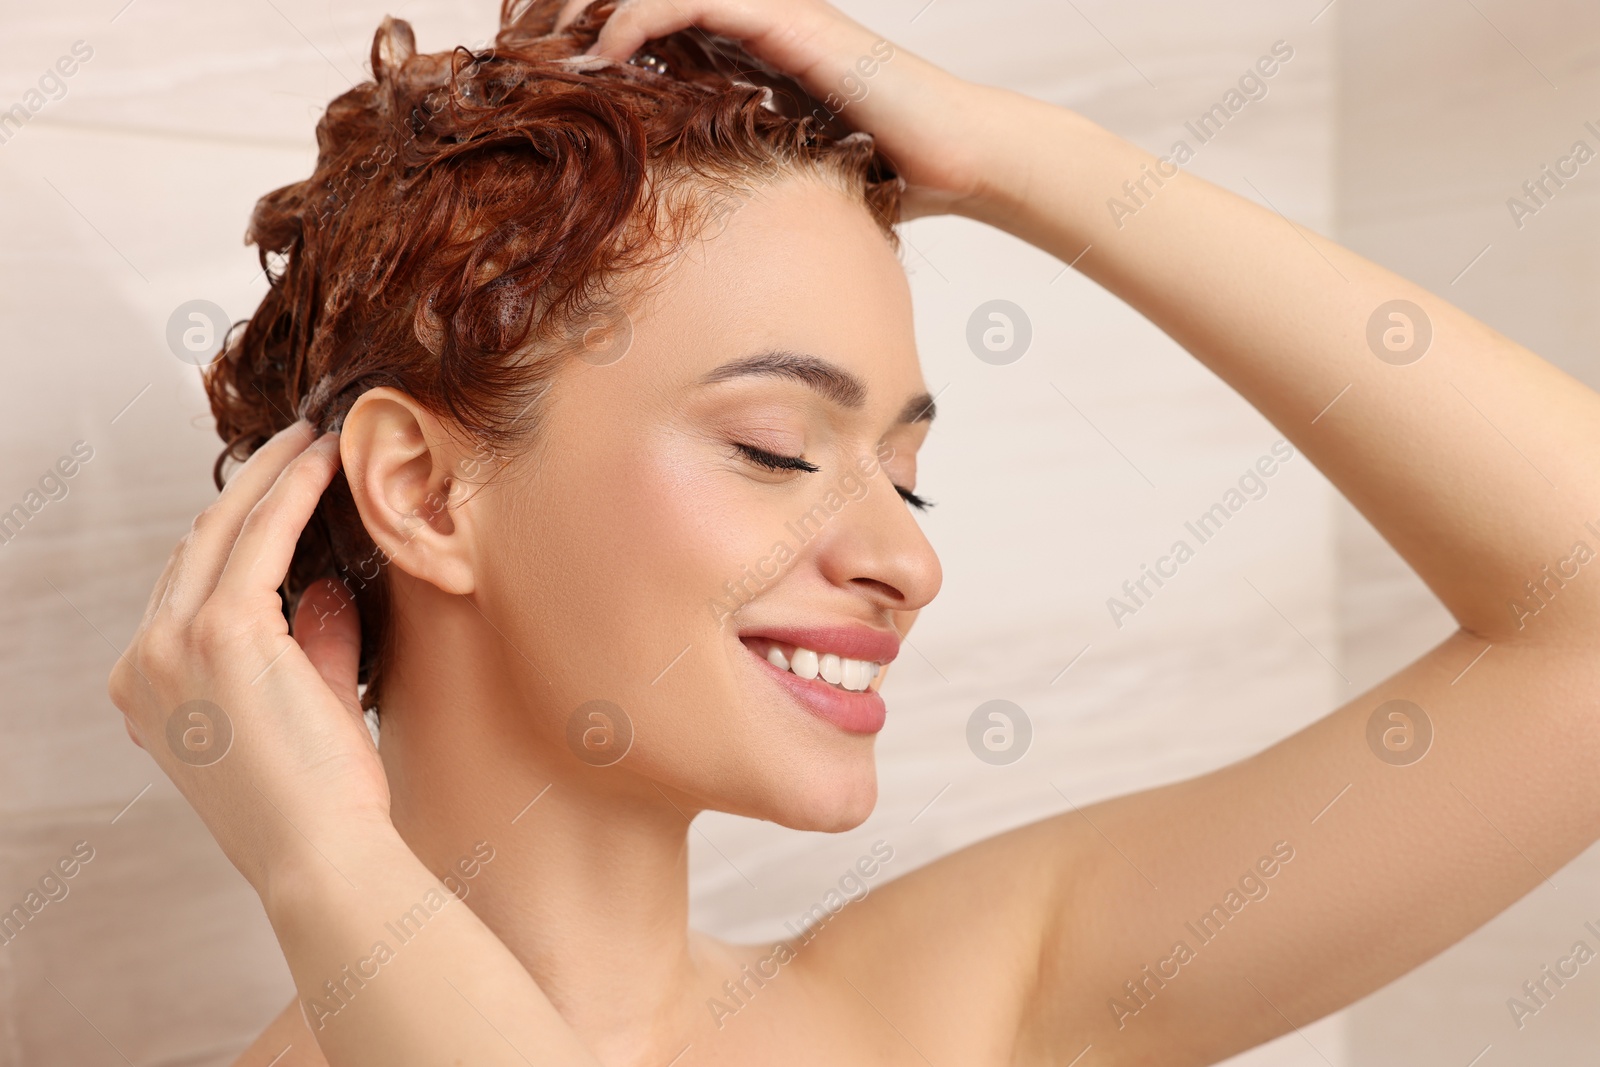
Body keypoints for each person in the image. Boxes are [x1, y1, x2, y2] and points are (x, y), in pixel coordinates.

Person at [108, 0, 1600, 1064]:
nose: (909, 561)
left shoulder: (957, 1009)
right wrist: (324, 870)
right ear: (429, 495)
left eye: (908, 474)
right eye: (774, 449)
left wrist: (1035, 162)